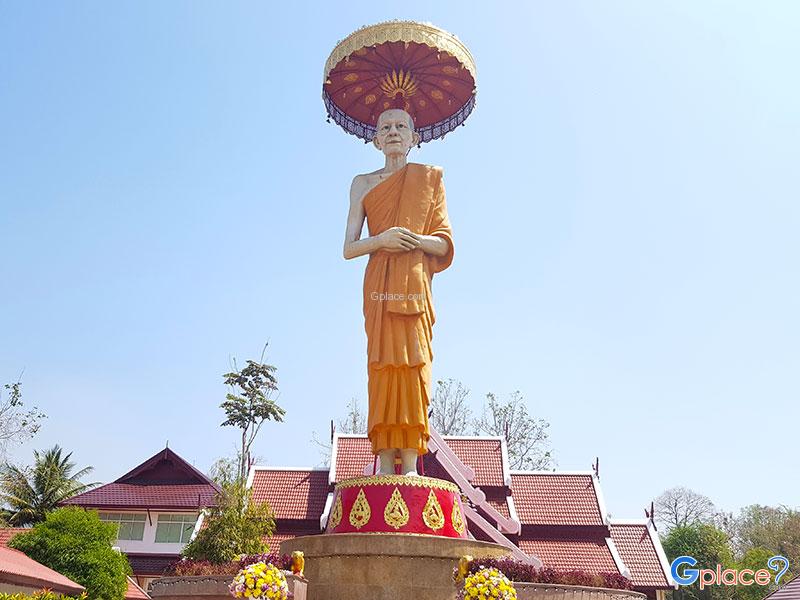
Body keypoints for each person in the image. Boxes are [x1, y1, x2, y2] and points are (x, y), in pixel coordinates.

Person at [343, 108, 454, 476]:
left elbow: (444, 243)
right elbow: (349, 247)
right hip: (381, 285)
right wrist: (382, 240)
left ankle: (409, 463)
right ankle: (385, 460)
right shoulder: (363, 183)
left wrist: (414, 240)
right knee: (382, 368)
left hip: (415, 285)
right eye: (385, 127)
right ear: (375, 139)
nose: (393, 132)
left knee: (413, 365)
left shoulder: (430, 179)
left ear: (414, 137)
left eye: (401, 126)